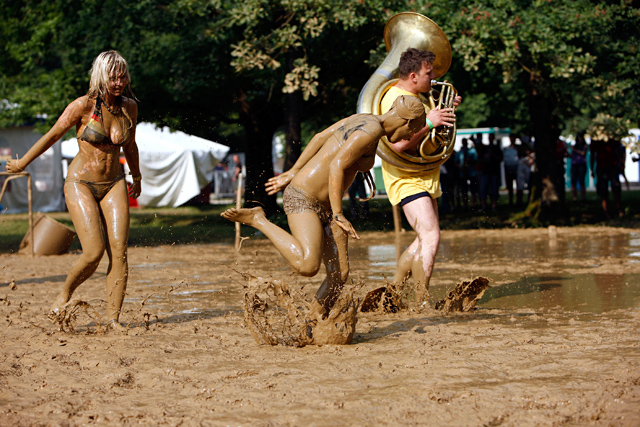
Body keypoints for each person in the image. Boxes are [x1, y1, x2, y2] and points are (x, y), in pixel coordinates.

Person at [222, 95, 426, 321]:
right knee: (307, 266)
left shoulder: (366, 120)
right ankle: (258, 219)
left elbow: (320, 137)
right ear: (408, 122)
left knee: (339, 274)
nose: (408, 137)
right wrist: (338, 214)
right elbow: (337, 165)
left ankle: (312, 323)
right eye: (412, 131)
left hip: (325, 206)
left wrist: (293, 170)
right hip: (303, 198)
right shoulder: (368, 132)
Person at [5, 51, 141, 330]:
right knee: (93, 252)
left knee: (120, 252)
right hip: (80, 183)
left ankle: (114, 320)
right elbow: (52, 135)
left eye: (122, 75)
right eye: (113, 76)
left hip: (114, 182)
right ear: (102, 77)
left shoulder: (130, 107)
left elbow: (130, 145)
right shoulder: (82, 106)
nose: (119, 81)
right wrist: (21, 163)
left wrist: (136, 176)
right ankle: (65, 293)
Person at [378, 48, 460, 305]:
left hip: (422, 174)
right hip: (406, 176)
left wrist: (445, 110)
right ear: (413, 76)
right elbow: (398, 145)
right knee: (431, 236)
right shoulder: (398, 99)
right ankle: (421, 302)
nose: (434, 76)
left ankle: (391, 295)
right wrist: (431, 123)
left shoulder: (417, 95)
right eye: (429, 72)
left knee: (423, 238)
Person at [590, 137, 623, 218]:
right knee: (603, 190)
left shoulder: (612, 136)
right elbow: (592, 154)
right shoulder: (595, 138)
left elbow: (619, 150)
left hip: (612, 166)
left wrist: (621, 164)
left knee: (616, 188)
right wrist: (592, 169)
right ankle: (606, 211)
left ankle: (619, 209)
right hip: (601, 167)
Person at [570, 133, 588, 202]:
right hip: (574, 165)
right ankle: (574, 198)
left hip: (581, 165)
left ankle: (582, 198)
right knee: (573, 182)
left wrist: (574, 149)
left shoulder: (585, 146)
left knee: (582, 182)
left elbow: (583, 153)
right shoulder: (575, 146)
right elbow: (571, 156)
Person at [503, 136, 519, 206]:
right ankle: (511, 201)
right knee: (510, 186)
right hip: (509, 168)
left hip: (516, 168)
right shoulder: (506, 149)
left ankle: (518, 201)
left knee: (519, 185)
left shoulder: (518, 148)